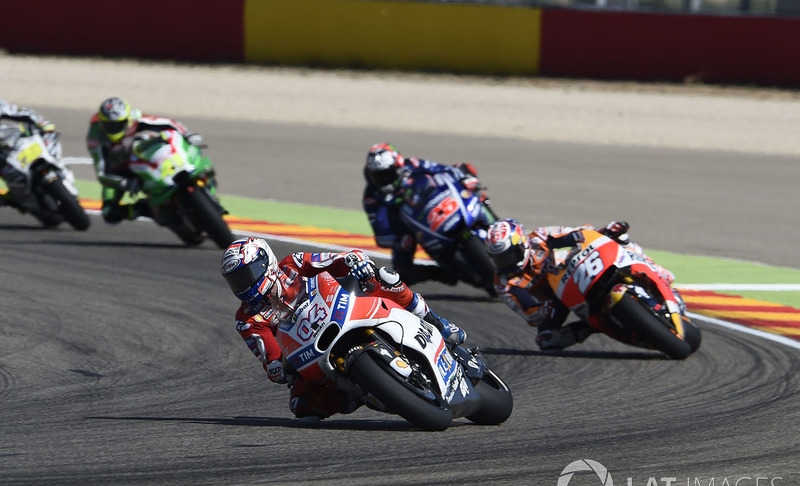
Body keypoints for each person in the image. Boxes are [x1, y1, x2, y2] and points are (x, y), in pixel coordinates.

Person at [221, 237, 467, 421]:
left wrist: (353, 260)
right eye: (237, 281)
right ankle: (359, 393)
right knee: (301, 405)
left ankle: (435, 321)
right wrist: (279, 367)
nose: (243, 286)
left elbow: (334, 260)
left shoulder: (292, 264)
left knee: (383, 277)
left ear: (266, 263)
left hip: (344, 306)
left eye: (247, 274)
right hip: (312, 351)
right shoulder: (247, 319)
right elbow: (271, 361)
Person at [485, 219, 681, 351]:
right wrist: (544, 310)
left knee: (620, 240)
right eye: (499, 258)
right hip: (555, 303)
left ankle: (657, 273)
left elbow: (579, 235)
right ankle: (591, 326)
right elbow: (529, 313)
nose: (506, 263)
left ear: (523, 244)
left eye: (509, 255)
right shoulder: (503, 283)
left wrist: (604, 232)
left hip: (576, 270)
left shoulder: (542, 237)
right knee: (547, 341)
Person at [362, 142, 493, 286]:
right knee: (402, 273)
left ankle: (496, 224)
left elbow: (442, 169)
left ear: (398, 167)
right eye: (378, 176)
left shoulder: (413, 164)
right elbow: (382, 233)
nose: (383, 180)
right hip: (409, 226)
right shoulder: (372, 197)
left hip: (435, 206)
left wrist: (463, 177)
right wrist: (398, 235)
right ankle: (439, 273)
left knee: (474, 189)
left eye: (387, 174)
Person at [86, 96, 208, 224]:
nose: (113, 129)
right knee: (109, 213)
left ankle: (193, 168)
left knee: (172, 141)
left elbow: (167, 122)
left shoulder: (136, 118)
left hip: (142, 157)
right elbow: (102, 173)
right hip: (119, 173)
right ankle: (146, 208)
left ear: (127, 120)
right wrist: (124, 183)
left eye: (117, 125)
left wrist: (188, 134)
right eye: (108, 126)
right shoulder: (95, 137)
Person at [0, 100, 60, 210]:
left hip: (20, 142)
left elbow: (24, 112)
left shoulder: (2, 107)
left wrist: (44, 124)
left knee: (49, 136)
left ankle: (55, 163)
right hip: (5, 160)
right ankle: (15, 196)